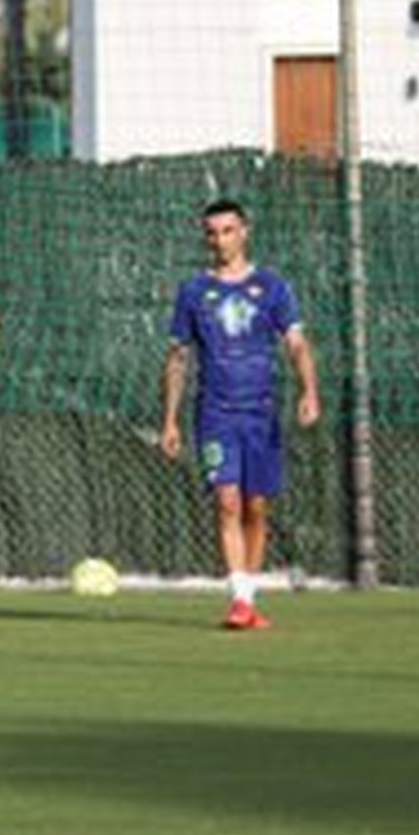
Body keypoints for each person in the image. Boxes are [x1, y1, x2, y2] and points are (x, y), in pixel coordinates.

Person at [159, 198, 320, 630]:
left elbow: (297, 343)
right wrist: (170, 420)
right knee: (227, 502)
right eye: (211, 233)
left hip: (261, 414)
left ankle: (248, 598)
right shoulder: (193, 292)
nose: (219, 240)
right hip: (215, 413)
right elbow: (177, 358)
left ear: (244, 232)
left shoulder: (272, 287)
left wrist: (309, 391)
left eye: (227, 230)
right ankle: (239, 599)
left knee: (256, 506)